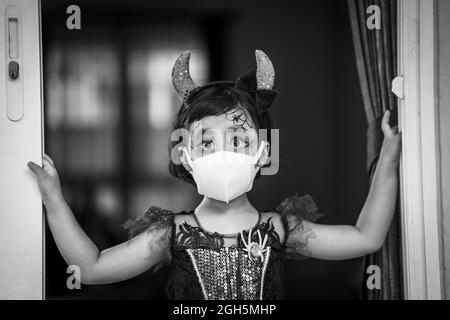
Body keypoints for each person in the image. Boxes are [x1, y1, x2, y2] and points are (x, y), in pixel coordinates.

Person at [28, 50, 401, 300]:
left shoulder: (282, 229)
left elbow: (366, 237)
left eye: (238, 139)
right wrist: (54, 200)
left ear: (262, 153)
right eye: (207, 142)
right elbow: (90, 269)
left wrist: (387, 159)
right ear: (185, 156)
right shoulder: (169, 234)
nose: (223, 152)